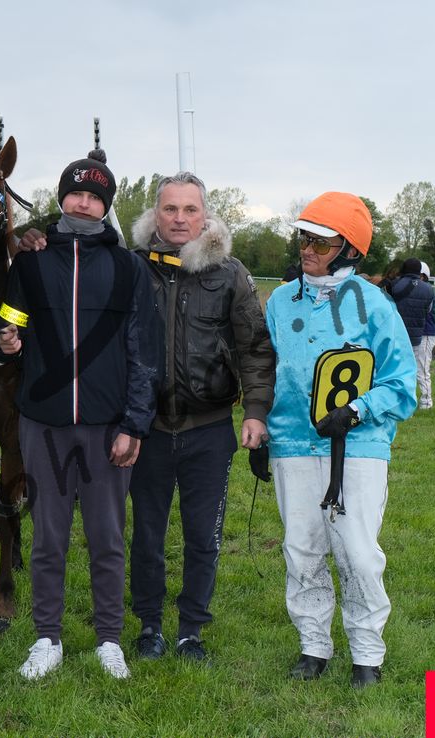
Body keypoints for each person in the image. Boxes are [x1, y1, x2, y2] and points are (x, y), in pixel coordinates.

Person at [0, 150, 160, 680]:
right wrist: (8, 340)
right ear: (62, 198)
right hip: (43, 424)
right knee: (49, 537)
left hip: (107, 427)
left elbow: (143, 353)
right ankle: (48, 638)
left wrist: (134, 424)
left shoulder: (129, 268)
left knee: (108, 539)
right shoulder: (31, 261)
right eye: (76, 194)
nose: (84, 204)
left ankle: (109, 639)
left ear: (105, 206)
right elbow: (10, 325)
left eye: (94, 197)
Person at [263, 192, 417, 689]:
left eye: (321, 243)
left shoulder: (375, 305)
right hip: (291, 444)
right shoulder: (279, 301)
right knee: (301, 549)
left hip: (358, 447)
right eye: (304, 239)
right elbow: (267, 372)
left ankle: (367, 654)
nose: (308, 250)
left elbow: (402, 384)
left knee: (357, 553)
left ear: (350, 249)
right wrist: (263, 431)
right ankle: (313, 646)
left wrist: (355, 411)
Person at [127, 172, 274, 662]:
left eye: (190, 209)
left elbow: (255, 347)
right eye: (170, 208)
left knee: (203, 537)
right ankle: (149, 626)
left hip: (208, 429)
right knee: (147, 536)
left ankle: (191, 629)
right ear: (156, 213)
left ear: (204, 215)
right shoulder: (131, 267)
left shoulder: (229, 273)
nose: (179, 218)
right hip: (145, 429)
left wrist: (256, 411)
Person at [387, 257, 435, 409]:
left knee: (395, 369)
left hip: (397, 334)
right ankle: (418, 402)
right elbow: (428, 310)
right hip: (417, 337)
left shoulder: (394, 284)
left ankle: (397, 401)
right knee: (413, 370)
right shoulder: (429, 290)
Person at [417, 262, 435, 408]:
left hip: (426, 334)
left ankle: (426, 402)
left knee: (422, 368)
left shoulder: (428, 291)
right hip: (420, 333)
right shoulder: (423, 290)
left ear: (423, 276)